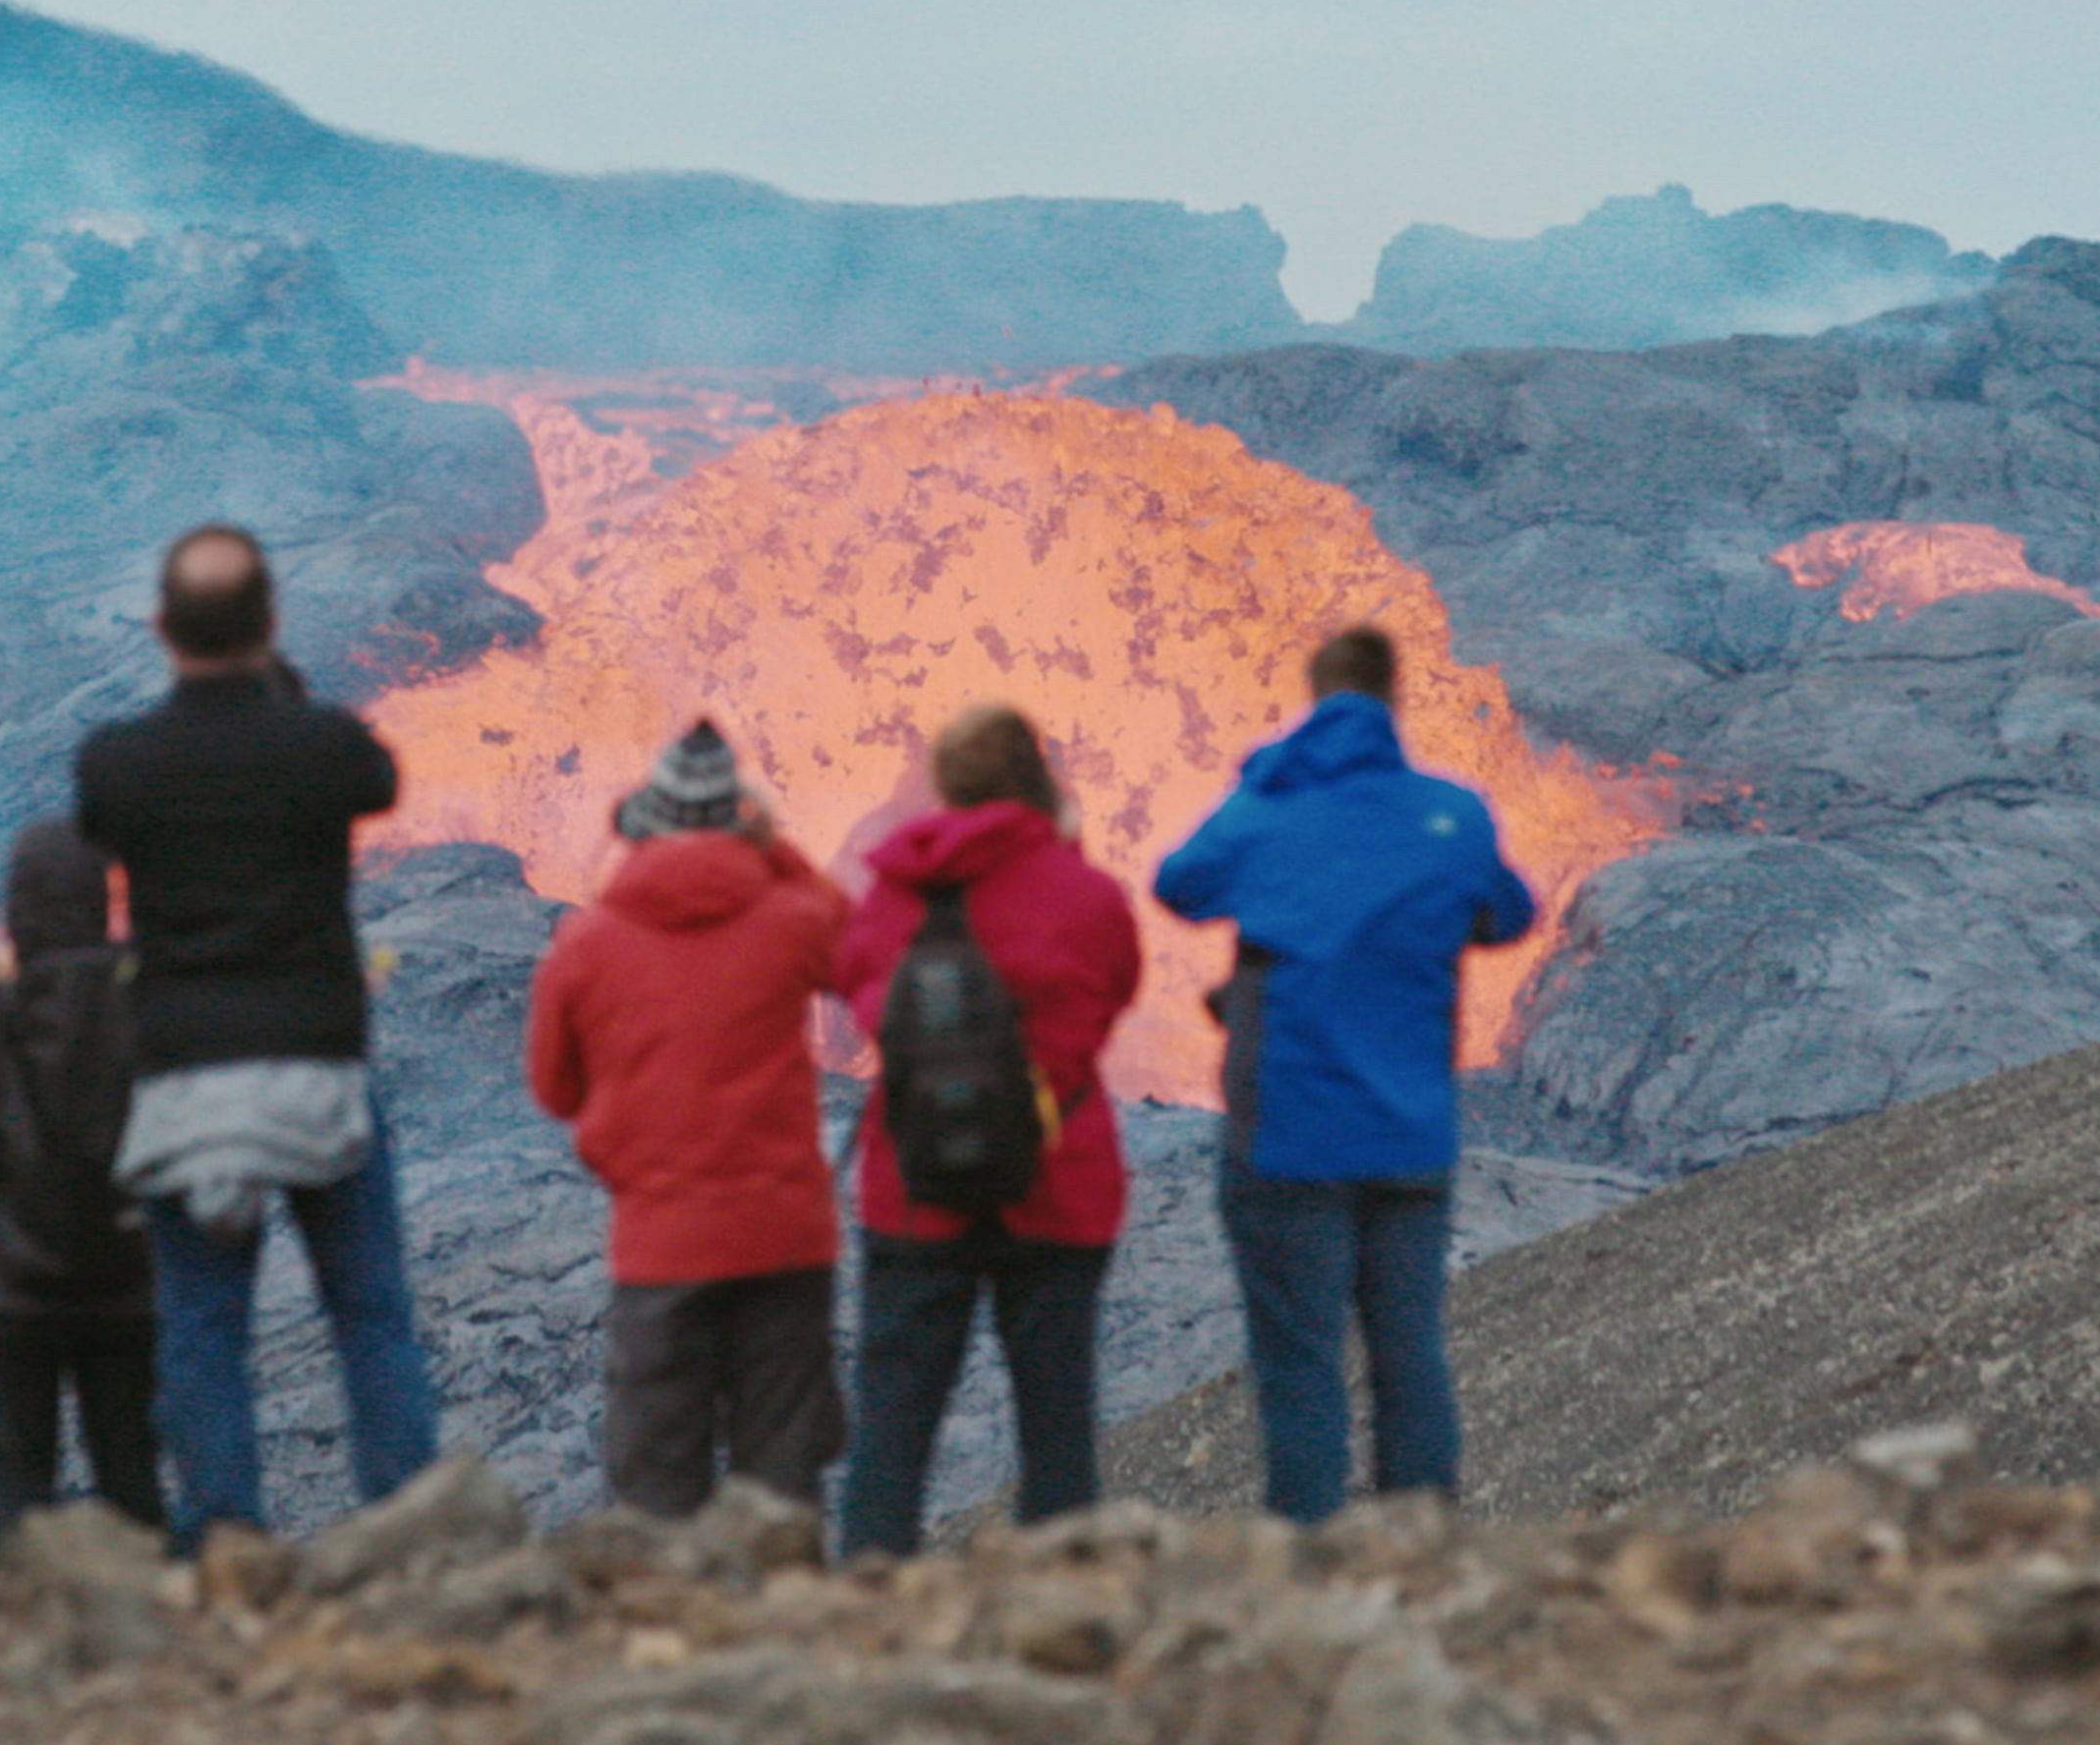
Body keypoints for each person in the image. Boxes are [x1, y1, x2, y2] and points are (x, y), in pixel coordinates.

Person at [82, 525, 435, 1547]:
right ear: (271, 622)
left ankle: (223, 1527)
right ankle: (408, 1518)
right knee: (368, 1309)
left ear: (160, 628)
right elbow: (375, 780)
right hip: (317, 1062)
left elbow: (104, 822)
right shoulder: (322, 747)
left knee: (201, 1320)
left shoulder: (121, 763)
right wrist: (279, 696)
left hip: (186, 1071)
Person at [1156, 626, 1535, 1523]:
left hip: (1289, 1136)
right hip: (1408, 1134)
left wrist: (1265, 778)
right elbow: (1509, 912)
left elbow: (1181, 883)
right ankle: (1424, 1553)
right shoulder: (1452, 814)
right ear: (1395, 700)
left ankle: (1313, 1569)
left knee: (1302, 1366)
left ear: (1314, 699)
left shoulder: (1272, 808)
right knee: (1410, 1356)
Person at [829, 704, 1141, 1558]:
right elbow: (1112, 989)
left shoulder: (891, 893)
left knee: (894, 1422)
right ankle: (1061, 1618)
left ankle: (867, 1608)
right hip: (1057, 1188)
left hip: (916, 1190)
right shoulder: (1083, 893)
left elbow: (861, 999)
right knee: (1056, 1421)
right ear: (1035, 784)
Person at [527, 720, 852, 1517]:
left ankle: (674, 1634)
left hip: (661, 1246)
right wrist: (772, 850)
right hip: (782, 1235)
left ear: (647, 827)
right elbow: (858, 947)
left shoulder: (588, 943)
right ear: (739, 821)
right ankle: (788, 1624)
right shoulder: (789, 919)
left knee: (656, 1483)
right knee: (782, 1474)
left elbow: (555, 1089)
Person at [0, 816, 166, 1538]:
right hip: (126, 1282)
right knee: (131, 1472)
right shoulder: (147, 1001)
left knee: (18, 1487)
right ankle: (154, 1624)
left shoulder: (1, 1010)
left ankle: (30, 1624)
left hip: (12, 1287)